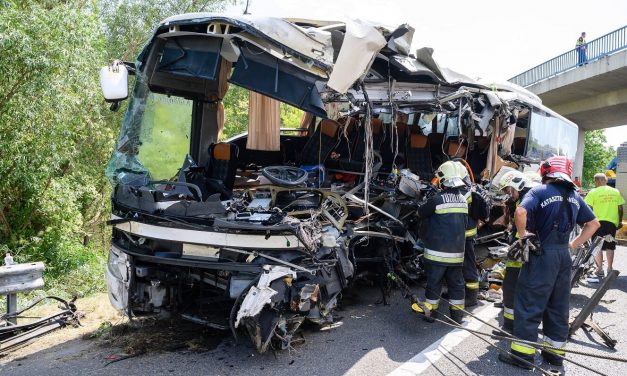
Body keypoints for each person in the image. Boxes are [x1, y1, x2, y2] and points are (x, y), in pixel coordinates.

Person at [499, 156, 599, 369]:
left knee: (529, 303)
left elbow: (520, 211)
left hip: (541, 255)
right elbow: (593, 224)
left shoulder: (538, 191)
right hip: (563, 256)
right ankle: (554, 355)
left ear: (546, 172)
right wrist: (573, 244)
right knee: (558, 305)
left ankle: (522, 356)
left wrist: (523, 234)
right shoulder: (575, 195)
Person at [411, 161, 468, 324]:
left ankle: (431, 314)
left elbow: (420, 213)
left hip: (437, 255)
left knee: (433, 284)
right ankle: (457, 316)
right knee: (456, 285)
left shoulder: (437, 200)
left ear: (444, 180)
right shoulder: (463, 201)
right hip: (457, 255)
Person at [497, 170, 534, 333]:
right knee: (516, 284)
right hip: (522, 245)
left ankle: (509, 326)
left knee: (511, 285)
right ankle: (513, 322)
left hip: (522, 245)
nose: (508, 194)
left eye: (509, 190)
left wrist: (519, 237)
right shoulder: (526, 199)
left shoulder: (526, 201)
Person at [455, 161, 490, 307]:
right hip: (461, 234)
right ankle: (458, 291)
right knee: (456, 264)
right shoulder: (469, 189)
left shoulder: (464, 192)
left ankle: (472, 297)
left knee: (468, 265)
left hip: (466, 236)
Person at [584, 173, 625, 281]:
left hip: (597, 224)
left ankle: (600, 270)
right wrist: (619, 221)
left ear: (596, 181)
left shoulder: (593, 192)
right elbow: (620, 208)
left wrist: (587, 222)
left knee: (598, 246)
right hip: (611, 224)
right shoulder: (615, 191)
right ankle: (610, 269)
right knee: (609, 246)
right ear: (606, 180)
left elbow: (587, 209)